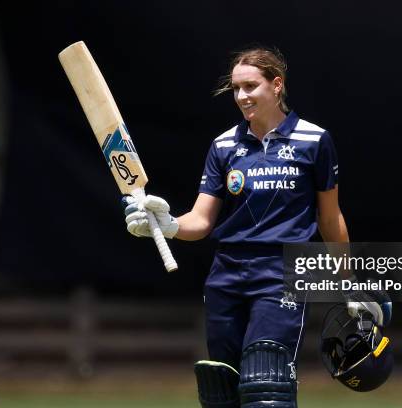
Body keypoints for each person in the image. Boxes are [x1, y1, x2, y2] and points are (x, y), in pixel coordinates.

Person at [124, 46, 353, 407]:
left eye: (250, 86)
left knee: (267, 382)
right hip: (226, 275)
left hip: (283, 272)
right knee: (221, 389)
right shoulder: (224, 145)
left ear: (277, 85)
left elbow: (329, 218)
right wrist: (166, 224)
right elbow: (200, 221)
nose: (242, 97)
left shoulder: (314, 140)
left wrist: (347, 280)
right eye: (236, 89)